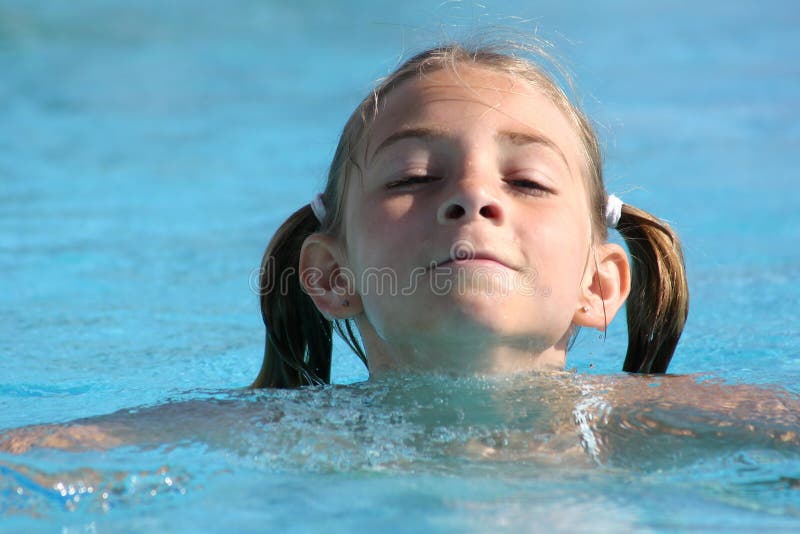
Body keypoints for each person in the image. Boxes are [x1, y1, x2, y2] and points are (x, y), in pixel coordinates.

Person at [252, 42, 689, 388]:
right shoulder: (262, 431)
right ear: (332, 276)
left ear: (596, 284)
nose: (473, 195)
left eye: (527, 181)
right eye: (414, 177)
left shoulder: (669, 421)